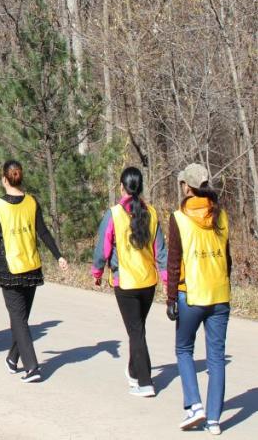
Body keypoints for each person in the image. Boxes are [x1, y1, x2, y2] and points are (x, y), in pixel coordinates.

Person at [0, 160, 68, 383]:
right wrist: (58, 255)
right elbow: (44, 232)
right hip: (31, 267)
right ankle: (12, 358)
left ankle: (32, 367)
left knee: (19, 320)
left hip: (9, 268)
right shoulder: (31, 202)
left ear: (4, 179)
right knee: (21, 318)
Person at [91, 166, 167, 398]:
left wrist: (97, 273)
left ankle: (145, 382)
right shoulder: (151, 212)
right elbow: (161, 250)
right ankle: (134, 371)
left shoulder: (114, 213)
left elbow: (103, 248)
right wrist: (166, 280)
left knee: (136, 332)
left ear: (122, 187)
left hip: (126, 283)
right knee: (138, 329)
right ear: (140, 187)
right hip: (148, 282)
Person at [167, 163, 231, 434]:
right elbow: (228, 260)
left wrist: (170, 298)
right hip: (220, 294)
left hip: (190, 293)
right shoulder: (221, 215)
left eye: (183, 183)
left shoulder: (179, 217)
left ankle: (195, 405)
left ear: (187, 187)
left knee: (183, 350)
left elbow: (173, 261)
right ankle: (214, 419)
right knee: (216, 357)